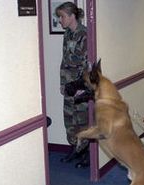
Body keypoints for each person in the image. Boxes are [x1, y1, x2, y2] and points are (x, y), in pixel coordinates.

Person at [56, 2, 91, 167]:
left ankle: (86, 152)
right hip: (69, 85)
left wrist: (82, 87)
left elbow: (87, 64)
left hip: (79, 86)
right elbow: (64, 61)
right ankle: (75, 148)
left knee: (82, 121)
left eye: (62, 16)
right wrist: (63, 83)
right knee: (69, 119)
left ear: (71, 16)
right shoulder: (67, 34)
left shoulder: (85, 34)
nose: (60, 20)